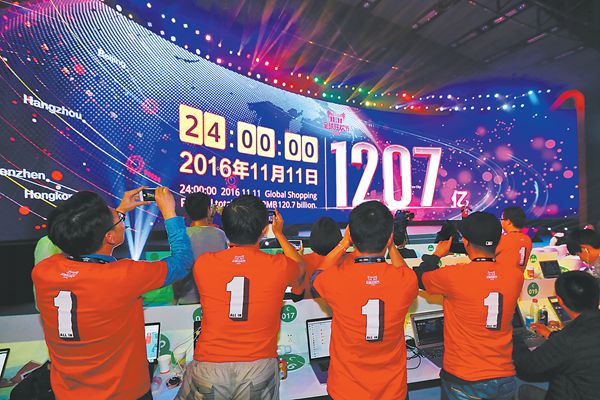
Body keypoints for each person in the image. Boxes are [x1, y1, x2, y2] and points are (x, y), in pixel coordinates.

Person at [32, 187, 194, 400]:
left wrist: (119, 213)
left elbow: (88, 245)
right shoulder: (123, 276)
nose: (121, 219)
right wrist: (169, 213)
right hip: (123, 393)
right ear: (109, 237)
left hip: (68, 393)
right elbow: (182, 261)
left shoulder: (44, 271)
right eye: (118, 219)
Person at [176, 195, 305, 400]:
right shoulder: (279, 266)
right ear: (264, 230)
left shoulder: (203, 264)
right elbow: (300, 269)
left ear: (225, 228)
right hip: (258, 368)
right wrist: (279, 234)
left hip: (210, 365)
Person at [311, 201, 418, 400]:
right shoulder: (406, 281)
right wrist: (391, 245)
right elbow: (403, 270)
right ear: (389, 236)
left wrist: (344, 243)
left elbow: (316, 276)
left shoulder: (336, 280)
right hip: (392, 391)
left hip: (347, 391)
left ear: (351, 235)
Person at [414, 212, 524, 400]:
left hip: (465, 377)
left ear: (465, 242)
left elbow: (420, 277)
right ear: (499, 241)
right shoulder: (515, 276)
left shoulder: (454, 276)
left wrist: (436, 255)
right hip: (504, 374)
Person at [513, 271, 600, 400]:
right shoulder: (575, 335)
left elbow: (526, 368)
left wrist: (513, 338)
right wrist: (551, 335)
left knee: (518, 385)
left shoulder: (569, 339)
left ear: (559, 300)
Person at [173, 192, 229, 304]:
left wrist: (175, 298)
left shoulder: (181, 235)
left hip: (186, 299)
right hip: (214, 298)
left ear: (187, 211)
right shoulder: (220, 234)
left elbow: (177, 269)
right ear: (208, 210)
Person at [290, 217, 342, 299]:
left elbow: (296, 294)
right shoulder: (348, 260)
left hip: (308, 306)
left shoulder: (303, 261)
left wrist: (298, 259)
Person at [496, 206, 532, 271]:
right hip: (519, 276)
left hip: (503, 276)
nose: (500, 222)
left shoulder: (503, 239)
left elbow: (486, 255)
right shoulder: (527, 239)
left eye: (501, 219)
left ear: (508, 222)